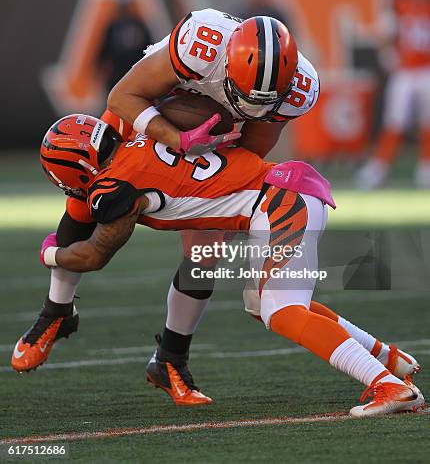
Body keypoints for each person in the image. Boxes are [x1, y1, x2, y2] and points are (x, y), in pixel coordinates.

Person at [12, 114, 424, 417]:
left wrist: (49, 252)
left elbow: (95, 254)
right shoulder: (138, 141)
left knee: (281, 310)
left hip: (280, 204)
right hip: (285, 194)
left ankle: (387, 385)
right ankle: (388, 358)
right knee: (262, 304)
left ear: (75, 170)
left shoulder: (114, 187)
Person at [14, 10, 321, 405]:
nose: (253, 104)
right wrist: (176, 139)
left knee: (205, 253)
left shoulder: (298, 88)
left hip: (218, 132)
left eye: (264, 100)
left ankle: (171, 358)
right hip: (154, 106)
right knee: (89, 195)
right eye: (245, 93)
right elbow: (123, 97)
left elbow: (251, 150)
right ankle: (55, 311)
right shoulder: (200, 45)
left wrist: (210, 188)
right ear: (226, 62)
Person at [356, 0, 430, 189]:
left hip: (426, 70)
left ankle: (426, 167)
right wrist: (389, 52)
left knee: (427, 122)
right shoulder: (399, 3)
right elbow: (385, 33)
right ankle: (379, 166)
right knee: (394, 120)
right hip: (405, 71)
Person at [99, 0, 154, 91]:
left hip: (134, 73)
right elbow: (104, 50)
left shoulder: (140, 24)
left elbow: (149, 48)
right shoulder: (113, 25)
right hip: (117, 74)